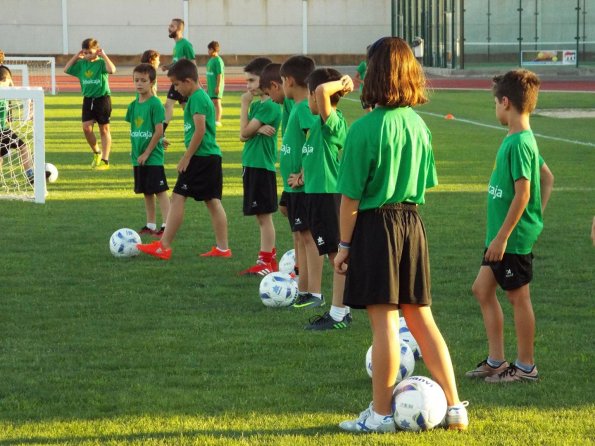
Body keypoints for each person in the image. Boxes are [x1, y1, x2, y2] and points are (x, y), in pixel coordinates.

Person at [334, 37, 468, 432]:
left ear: (374, 73)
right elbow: (426, 182)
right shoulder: (420, 126)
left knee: (385, 325)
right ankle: (457, 407)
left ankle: (379, 416)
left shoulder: (364, 129)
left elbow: (350, 200)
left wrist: (344, 246)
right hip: (412, 223)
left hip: (377, 226)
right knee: (423, 319)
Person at [467, 69, 551, 384]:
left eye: (495, 103)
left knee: (518, 297)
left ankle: (526, 366)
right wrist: (535, 216)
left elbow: (524, 192)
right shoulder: (518, 138)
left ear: (505, 102)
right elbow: (548, 177)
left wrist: (506, 235)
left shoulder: (519, 143)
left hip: (509, 239)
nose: (495, 109)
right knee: (482, 289)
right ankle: (496, 361)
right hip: (502, 236)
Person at [137, 59, 230, 260]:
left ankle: (164, 246)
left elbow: (200, 130)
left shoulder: (197, 98)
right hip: (209, 156)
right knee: (212, 201)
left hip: (200, 157)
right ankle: (223, 249)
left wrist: (186, 157)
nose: (176, 90)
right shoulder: (199, 96)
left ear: (188, 81)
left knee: (178, 197)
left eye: (177, 85)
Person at [301, 68, 353, 330]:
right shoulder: (317, 124)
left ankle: (339, 313)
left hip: (327, 195)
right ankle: (341, 309)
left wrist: (342, 83)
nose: (310, 100)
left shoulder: (332, 120)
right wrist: (302, 175)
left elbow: (323, 91)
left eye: (310, 95)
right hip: (315, 194)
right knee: (333, 254)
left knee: (337, 256)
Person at [279, 56, 319, 308]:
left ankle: (313, 292)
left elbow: (315, 135)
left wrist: (304, 173)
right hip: (295, 188)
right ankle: (304, 289)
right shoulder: (296, 107)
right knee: (302, 236)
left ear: (289, 81)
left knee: (309, 238)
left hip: (302, 187)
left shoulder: (304, 107)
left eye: (282, 81)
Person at [238, 57, 282, 275]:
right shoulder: (259, 106)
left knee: (264, 216)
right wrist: (254, 129)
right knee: (260, 216)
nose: (248, 87)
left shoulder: (270, 107)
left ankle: (266, 261)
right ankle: (268, 260)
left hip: (261, 167)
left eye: (252, 81)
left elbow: (245, 132)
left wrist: (244, 105)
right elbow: (242, 136)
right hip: (251, 164)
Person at [259, 63, 299, 277]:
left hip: (299, 179)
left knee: (303, 232)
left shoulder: (296, 105)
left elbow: (310, 135)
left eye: (268, 93)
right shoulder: (288, 105)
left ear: (278, 85)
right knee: (287, 212)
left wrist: (303, 172)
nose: (270, 98)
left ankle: (302, 272)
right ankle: (301, 268)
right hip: (291, 178)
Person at [125, 63, 170, 237]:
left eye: (143, 80)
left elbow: (159, 131)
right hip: (138, 157)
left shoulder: (155, 104)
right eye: (136, 80)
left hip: (152, 157)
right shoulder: (133, 106)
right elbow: (136, 131)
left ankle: (166, 225)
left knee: (160, 191)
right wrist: (135, 151)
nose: (139, 84)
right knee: (146, 191)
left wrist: (147, 152)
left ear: (152, 82)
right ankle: (150, 225)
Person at [64, 38, 116, 170]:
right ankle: (97, 152)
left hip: (102, 99)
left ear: (97, 51)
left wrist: (103, 55)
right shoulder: (81, 64)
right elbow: (66, 69)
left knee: (104, 129)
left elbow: (112, 70)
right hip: (88, 99)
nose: (87, 55)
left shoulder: (100, 63)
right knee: (86, 128)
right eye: (85, 52)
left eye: (90, 52)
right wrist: (76, 56)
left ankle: (105, 160)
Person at [161, 19, 195, 134]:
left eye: (172, 26)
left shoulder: (185, 44)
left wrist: (194, 82)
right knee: (186, 108)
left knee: (168, 104)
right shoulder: (177, 45)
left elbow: (192, 63)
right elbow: (178, 62)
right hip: (177, 80)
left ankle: (161, 132)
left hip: (181, 81)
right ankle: (195, 129)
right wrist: (168, 66)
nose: (169, 28)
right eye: (169, 25)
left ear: (179, 29)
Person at [0, 67, 33, 182]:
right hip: (2, 131)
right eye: (10, 81)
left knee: (21, 148)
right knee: (23, 148)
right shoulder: (3, 94)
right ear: (5, 80)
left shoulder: (5, 95)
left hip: (3, 130)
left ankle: (31, 176)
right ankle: (31, 176)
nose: (12, 84)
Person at [206, 41, 225, 127]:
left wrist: (218, 86)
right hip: (210, 86)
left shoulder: (218, 60)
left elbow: (219, 74)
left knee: (217, 102)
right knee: (211, 103)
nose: (208, 51)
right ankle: (212, 119)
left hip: (216, 86)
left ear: (214, 50)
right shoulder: (210, 60)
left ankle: (218, 121)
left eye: (209, 49)